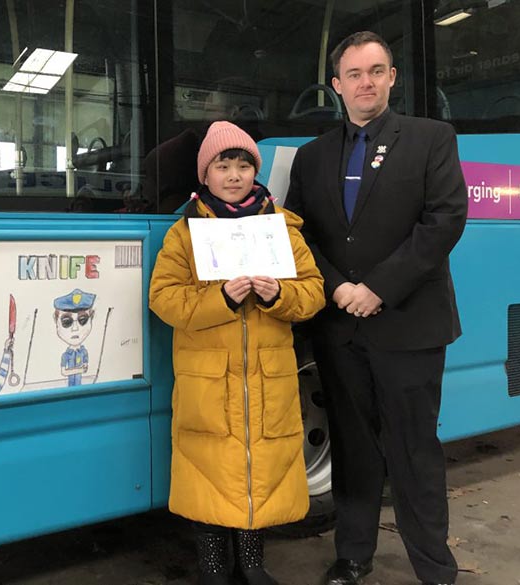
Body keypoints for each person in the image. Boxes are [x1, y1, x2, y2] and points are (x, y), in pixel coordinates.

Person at [283, 31, 467, 585]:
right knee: (354, 449)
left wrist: (378, 288)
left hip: (409, 326)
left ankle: (434, 568)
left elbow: (444, 222)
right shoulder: (311, 157)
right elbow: (297, 235)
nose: (367, 83)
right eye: (355, 74)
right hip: (339, 330)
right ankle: (354, 554)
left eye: (378, 71)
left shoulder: (432, 138)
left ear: (392, 77)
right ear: (336, 85)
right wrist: (338, 287)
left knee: (415, 453)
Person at [149, 121, 325, 585]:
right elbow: (164, 299)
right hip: (209, 378)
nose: (233, 175)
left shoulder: (282, 229)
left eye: (243, 165)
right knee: (209, 473)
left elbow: (312, 293)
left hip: (269, 378)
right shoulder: (185, 233)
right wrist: (221, 299)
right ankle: (212, 567)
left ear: (255, 171)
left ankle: (252, 564)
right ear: (204, 175)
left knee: (257, 474)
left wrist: (276, 297)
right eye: (222, 166)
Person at [53, 289, 96, 386]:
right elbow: (64, 372)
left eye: (82, 320)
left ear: (91, 317)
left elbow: (85, 367)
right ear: (56, 320)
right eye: (67, 321)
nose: (75, 328)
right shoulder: (66, 355)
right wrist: (79, 370)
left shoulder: (84, 352)